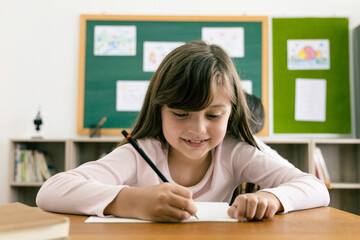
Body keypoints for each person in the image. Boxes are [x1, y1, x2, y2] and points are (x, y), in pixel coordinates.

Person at [36, 40, 329, 222]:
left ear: (232, 113)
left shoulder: (235, 152)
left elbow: (315, 187)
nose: (197, 129)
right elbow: (50, 191)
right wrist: (131, 201)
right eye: (180, 113)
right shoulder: (142, 152)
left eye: (214, 115)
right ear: (158, 109)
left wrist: (272, 198)